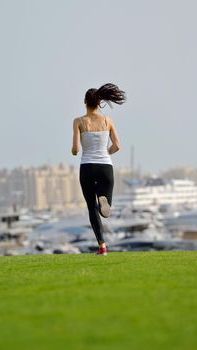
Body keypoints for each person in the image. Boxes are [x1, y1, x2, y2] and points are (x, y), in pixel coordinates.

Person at [71, 83, 126, 255]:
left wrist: (77, 149)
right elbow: (117, 145)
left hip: (87, 166)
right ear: (99, 102)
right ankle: (105, 201)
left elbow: (75, 149)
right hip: (105, 166)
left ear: (85, 102)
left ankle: (102, 246)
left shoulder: (79, 122)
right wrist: (105, 153)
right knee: (104, 205)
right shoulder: (108, 121)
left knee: (91, 207)